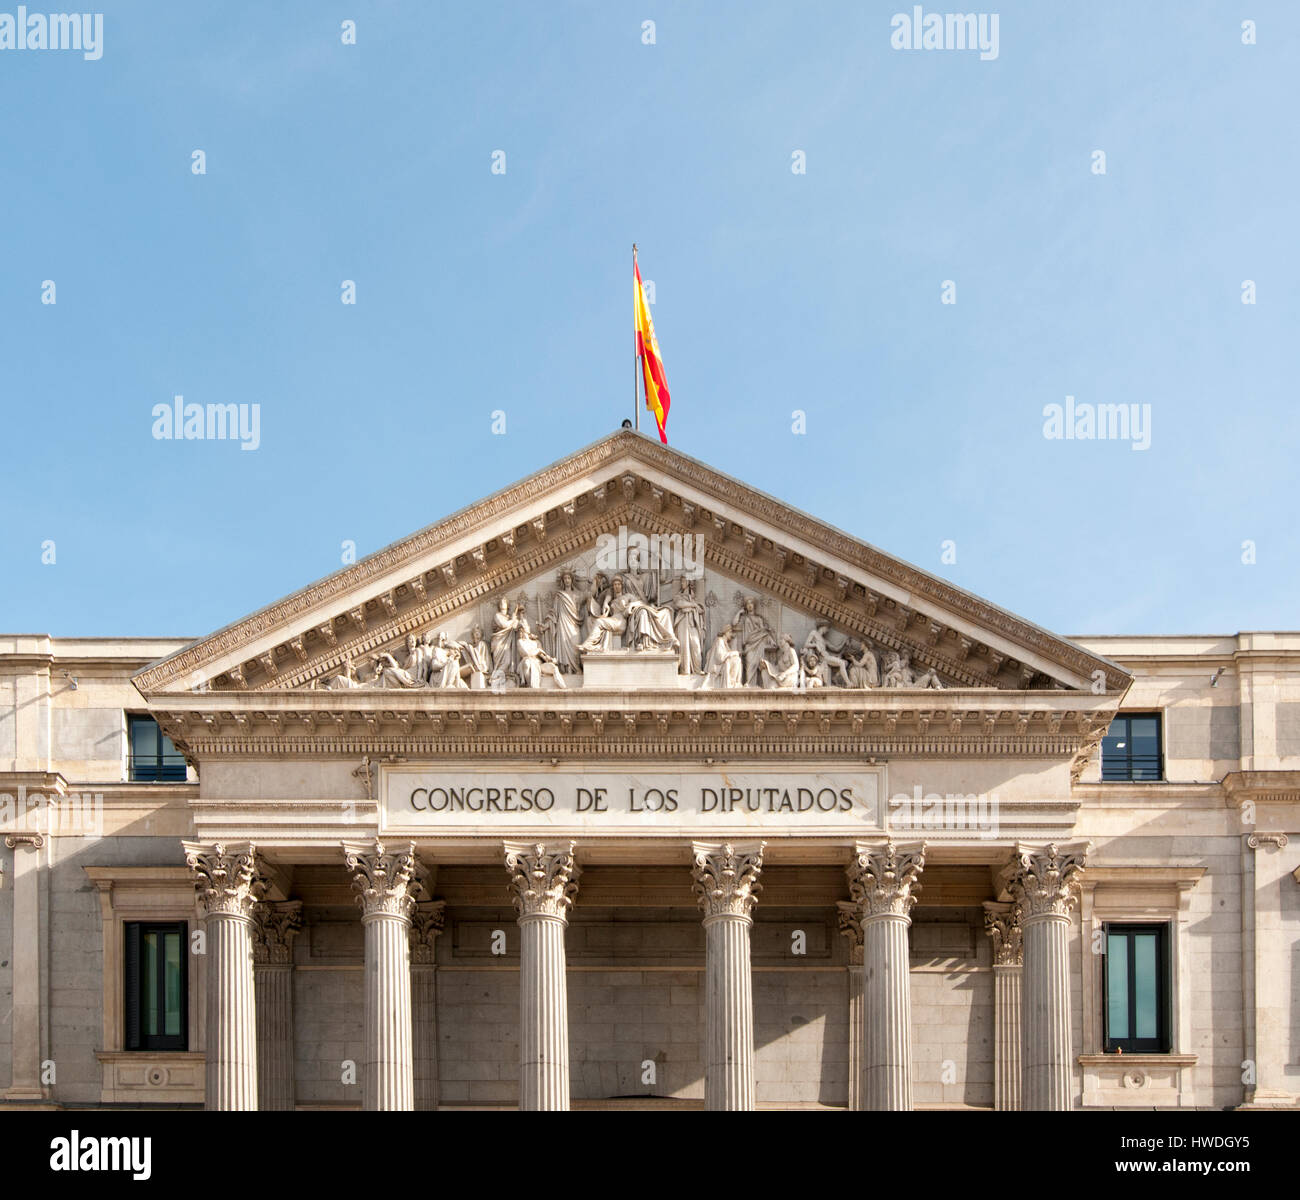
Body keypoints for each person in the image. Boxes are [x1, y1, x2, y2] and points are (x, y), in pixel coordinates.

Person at [734, 597, 777, 686]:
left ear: (754, 606)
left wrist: (771, 641)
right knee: (749, 665)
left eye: (751, 603)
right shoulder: (744, 618)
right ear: (746, 606)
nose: (750, 605)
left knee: (757, 664)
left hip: (758, 644)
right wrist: (739, 613)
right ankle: (749, 684)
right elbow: (734, 623)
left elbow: (763, 632)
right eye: (748, 604)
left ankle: (756, 685)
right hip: (749, 644)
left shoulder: (758, 619)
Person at [516, 618, 566, 689]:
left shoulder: (536, 642)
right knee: (527, 662)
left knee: (554, 668)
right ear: (522, 629)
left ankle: (564, 688)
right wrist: (538, 650)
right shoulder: (520, 641)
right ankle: (532, 687)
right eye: (527, 626)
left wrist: (550, 659)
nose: (529, 627)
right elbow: (526, 654)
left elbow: (543, 656)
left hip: (539, 664)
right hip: (528, 662)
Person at [672, 577, 706, 674]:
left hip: (693, 625)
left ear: (688, 582)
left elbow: (701, 610)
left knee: (696, 646)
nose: (682, 583)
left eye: (683, 581)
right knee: (684, 646)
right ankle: (685, 670)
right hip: (682, 623)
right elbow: (679, 604)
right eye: (682, 581)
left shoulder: (694, 598)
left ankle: (697, 670)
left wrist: (692, 606)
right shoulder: (679, 596)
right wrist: (693, 606)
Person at [803, 622, 851, 687]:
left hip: (827, 656)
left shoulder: (824, 640)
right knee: (841, 663)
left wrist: (844, 641)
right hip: (823, 658)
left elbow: (836, 649)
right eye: (827, 628)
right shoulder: (814, 633)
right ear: (822, 627)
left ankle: (835, 678)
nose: (827, 631)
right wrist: (815, 645)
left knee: (845, 663)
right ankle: (848, 683)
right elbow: (806, 644)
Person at [490, 596, 520, 685]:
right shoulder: (497, 615)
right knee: (499, 663)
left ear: (507, 605)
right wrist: (513, 620)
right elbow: (503, 625)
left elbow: (515, 627)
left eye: (504, 602)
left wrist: (516, 620)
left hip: (507, 643)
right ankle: (496, 678)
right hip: (498, 641)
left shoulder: (509, 617)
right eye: (501, 602)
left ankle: (498, 678)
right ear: (499, 605)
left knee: (507, 661)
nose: (502, 603)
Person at [703, 624, 743, 689]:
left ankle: (734, 682)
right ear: (725, 632)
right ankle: (731, 683)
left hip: (722, 664)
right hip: (717, 666)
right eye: (730, 632)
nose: (731, 634)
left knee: (737, 659)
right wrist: (733, 653)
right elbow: (720, 657)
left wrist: (733, 654)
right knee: (734, 660)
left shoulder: (726, 643)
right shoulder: (719, 641)